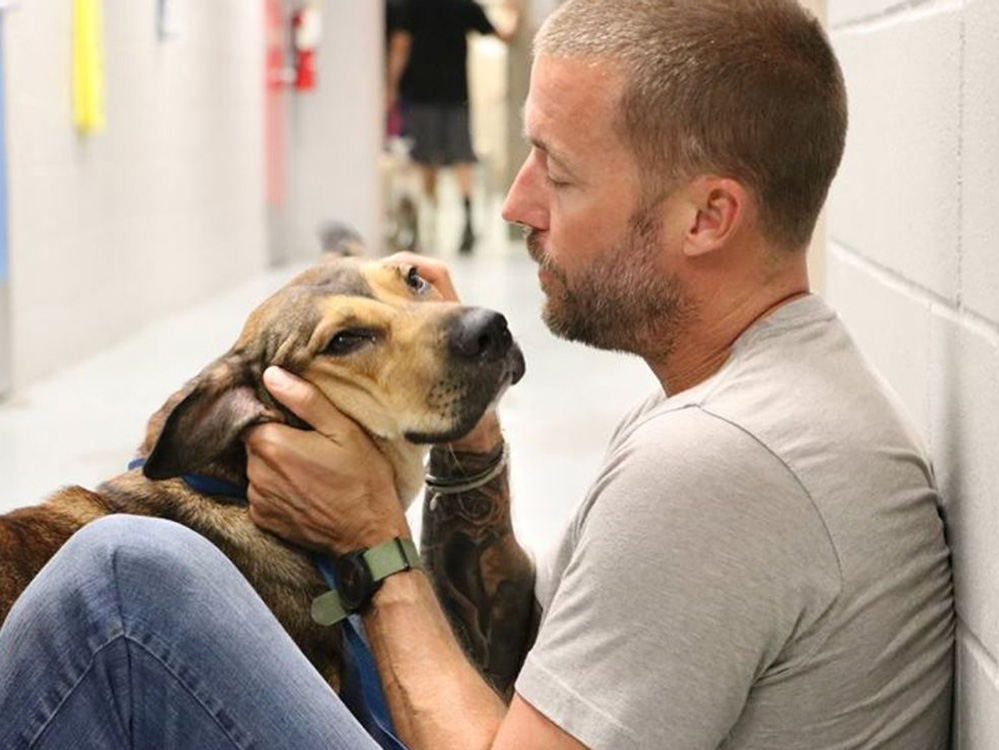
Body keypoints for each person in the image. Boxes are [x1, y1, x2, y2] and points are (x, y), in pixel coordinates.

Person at [0, 1, 954, 748]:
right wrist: (470, 436)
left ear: (707, 217)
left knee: (122, 579)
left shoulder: (719, 467)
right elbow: (514, 666)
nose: (514, 204)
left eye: (558, 171)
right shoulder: (752, 398)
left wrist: (375, 544)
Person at [387, 0, 519, 254]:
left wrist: (391, 87)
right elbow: (503, 35)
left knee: (425, 161)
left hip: (421, 95)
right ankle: (466, 220)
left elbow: (400, 45)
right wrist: (514, 13)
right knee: (462, 159)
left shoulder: (411, 5)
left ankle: (424, 224)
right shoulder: (463, 4)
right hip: (456, 96)